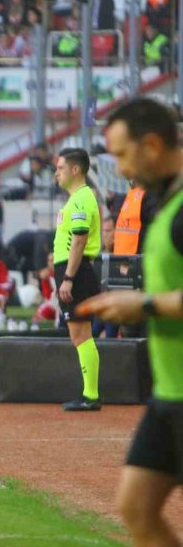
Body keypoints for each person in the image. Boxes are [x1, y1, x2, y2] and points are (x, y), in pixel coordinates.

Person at [79, 98, 183, 547]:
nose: (120, 170)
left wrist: (144, 306)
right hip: (170, 393)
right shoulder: (162, 203)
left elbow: (156, 301)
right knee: (136, 507)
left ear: (154, 145)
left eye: (123, 155)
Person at [53, 148, 102, 412]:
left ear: (75, 169)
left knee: (81, 334)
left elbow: (80, 239)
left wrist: (69, 278)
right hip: (73, 270)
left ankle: (91, 396)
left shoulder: (82, 198)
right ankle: (89, 394)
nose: (56, 173)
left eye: (60, 168)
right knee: (79, 334)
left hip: (77, 272)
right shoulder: (75, 199)